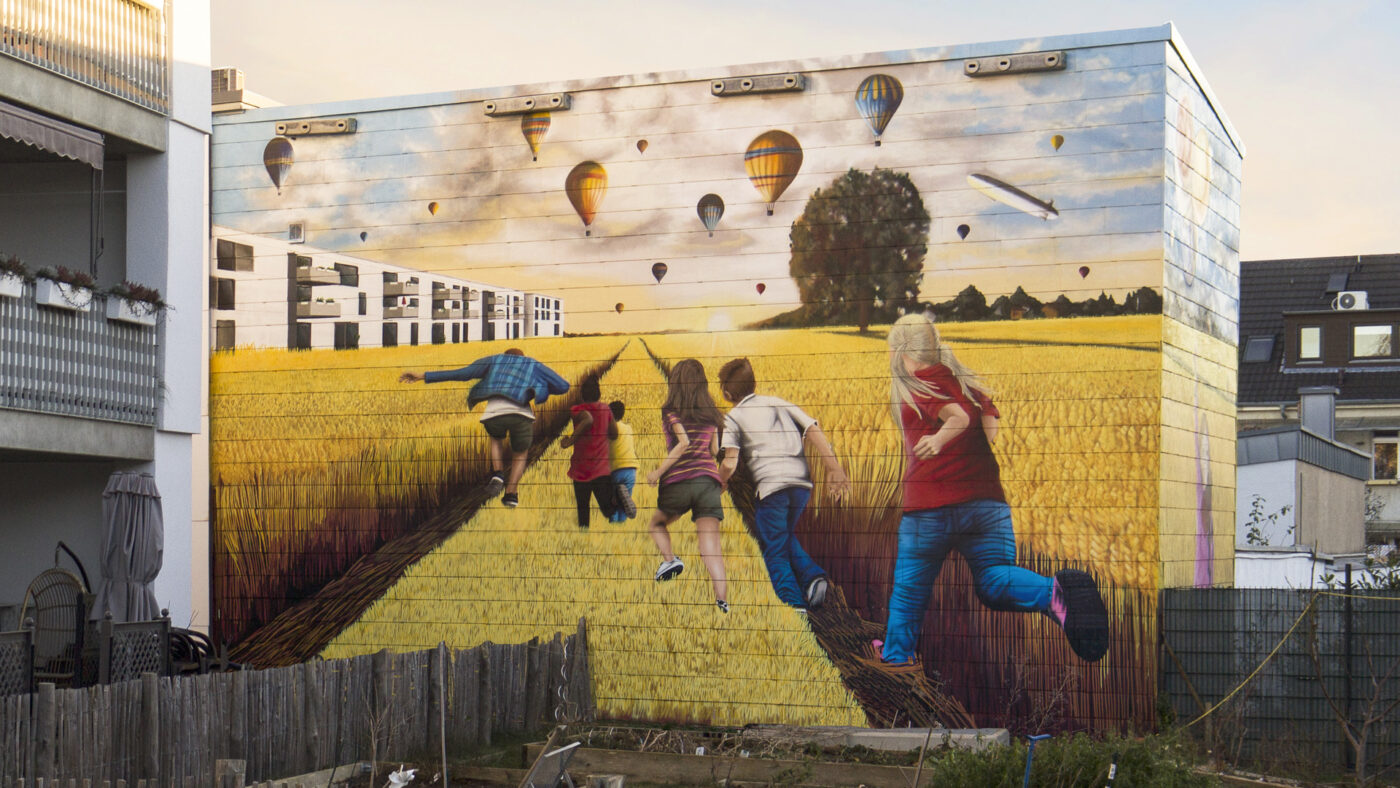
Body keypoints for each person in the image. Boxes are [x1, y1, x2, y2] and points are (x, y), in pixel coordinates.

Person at [873, 313, 1109, 667]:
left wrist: (938, 442)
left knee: (910, 591)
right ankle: (1052, 593)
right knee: (995, 577)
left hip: (929, 509)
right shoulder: (965, 382)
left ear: (901, 350)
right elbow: (989, 426)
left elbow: (958, 419)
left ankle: (895, 658)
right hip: (987, 504)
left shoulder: (918, 384)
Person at [717, 358, 850, 611]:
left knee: (773, 547)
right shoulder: (777, 402)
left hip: (772, 488)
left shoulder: (733, 418)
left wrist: (720, 482)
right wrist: (834, 468)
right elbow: (812, 428)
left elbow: (730, 462)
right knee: (782, 535)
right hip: (801, 484)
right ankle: (813, 577)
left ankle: (793, 603)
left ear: (726, 393)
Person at [400, 348, 569, 508]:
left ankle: (498, 473)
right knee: (520, 452)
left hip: (494, 413)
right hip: (521, 414)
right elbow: (563, 386)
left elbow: (462, 374)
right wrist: (539, 388)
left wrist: (422, 376)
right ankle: (511, 493)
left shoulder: (494, 360)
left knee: (496, 439)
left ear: (505, 355)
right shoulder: (532, 364)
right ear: (522, 357)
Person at [645, 359, 729, 613]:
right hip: (708, 483)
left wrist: (658, 472)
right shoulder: (712, 415)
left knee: (657, 524)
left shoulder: (671, 410)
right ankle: (722, 602)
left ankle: (670, 561)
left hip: (679, 481)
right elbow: (715, 451)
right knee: (711, 548)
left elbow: (683, 443)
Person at [560, 375, 632, 528]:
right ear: (598, 393)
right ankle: (618, 497)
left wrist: (570, 440)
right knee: (608, 509)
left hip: (580, 469)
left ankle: (584, 535)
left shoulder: (576, 410)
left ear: (582, 394)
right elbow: (614, 434)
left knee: (583, 508)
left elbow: (586, 419)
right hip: (600, 469)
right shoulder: (605, 408)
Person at [607, 400, 639, 523]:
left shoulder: (608, 430)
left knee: (613, 502)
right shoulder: (628, 428)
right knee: (624, 503)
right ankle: (622, 524)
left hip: (616, 469)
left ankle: (614, 527)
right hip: (631, 469)